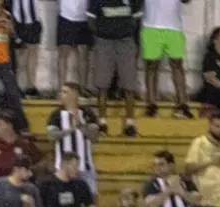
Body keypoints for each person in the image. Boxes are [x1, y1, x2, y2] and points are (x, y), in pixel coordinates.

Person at [88, 0, 141, 137]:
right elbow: (91, 19)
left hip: (126, 41)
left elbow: (137, 21)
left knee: (129, 86)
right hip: (104, 42)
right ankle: (102, 123)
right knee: (102, 85)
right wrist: (102, 34)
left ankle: (130, 124)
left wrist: (134, 41)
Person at [141, 0, 193, 119]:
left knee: (177, 64)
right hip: (151, 26)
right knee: (151, 65)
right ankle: (151, 104)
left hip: (174, 27)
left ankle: (182, 103)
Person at [47, 82, 100, 195]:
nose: (61, 94)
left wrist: (80, 125)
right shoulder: (56, 114)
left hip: (85, 167)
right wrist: (71, 129)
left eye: (65, 92)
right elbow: (52, 136)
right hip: (63, 168)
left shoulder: (87, 113)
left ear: (75, 94)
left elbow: (94, 137)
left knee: (91, 200)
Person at [0, 111, 42, 192]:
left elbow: (42, 163)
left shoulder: (24, 144)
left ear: (9, 125)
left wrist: (30, 171)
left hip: (21, 191)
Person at [10, 0, 42, 97]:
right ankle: (19, 86)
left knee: (33, 56)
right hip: (19, 24)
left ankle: (31, 86)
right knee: (21, 58)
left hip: (34, 23)